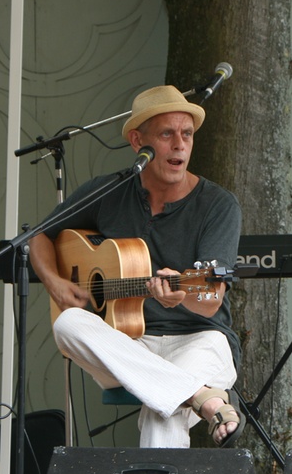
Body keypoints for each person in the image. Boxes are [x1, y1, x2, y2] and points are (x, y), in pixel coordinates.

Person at [29, 85, 244, 448]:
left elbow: (210, 299)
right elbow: (38, 236)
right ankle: (202, 396)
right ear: (137, 142)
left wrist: (181, 297)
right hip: (129, 345)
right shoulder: (110, 192)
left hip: (200, 339)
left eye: (187, 134)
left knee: (163, 415)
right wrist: (53, 281)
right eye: (166, 134)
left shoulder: (218, 205)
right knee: (67, 322)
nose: (180, 145)